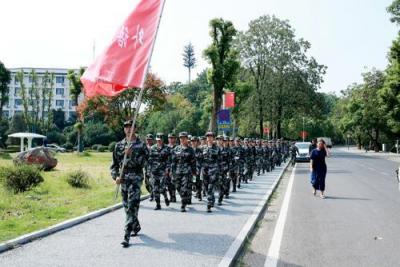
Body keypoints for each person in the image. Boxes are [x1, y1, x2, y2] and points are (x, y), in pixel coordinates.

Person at [111, 120, 148, 247]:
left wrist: (133, 156)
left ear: (135, 128)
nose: (128, 129)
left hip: (136, 177)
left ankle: (126, 236)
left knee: (132, 204)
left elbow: (146, 163)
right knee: (127, 206)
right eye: (126, 127)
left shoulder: (141, 145)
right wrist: (115, 177)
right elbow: (114, 165)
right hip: (123, 178)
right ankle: (135, 225)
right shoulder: (119, 145)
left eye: (130, 126)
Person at [171, 132, 196, 212]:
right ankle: (184, 198)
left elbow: (193, 162)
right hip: (178, 171)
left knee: (185, 188)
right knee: (178, 187)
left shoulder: (190, 150)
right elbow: (173, 161)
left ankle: (183, 204)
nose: (182, 139)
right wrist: (172, 171)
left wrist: (194, 173)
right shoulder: (176, 149)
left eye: (184, 138)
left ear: (187, 139)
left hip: (187, 172)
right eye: (181, 138)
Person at [148, 133, 170, 210]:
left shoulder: (167, 148)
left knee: (162, 187)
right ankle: (158, 204)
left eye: (160, 140)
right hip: (154, 171)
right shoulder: (152, 148)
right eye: (157, 140)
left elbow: (169, 160)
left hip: (163, 170)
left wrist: (168, 169)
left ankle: (166, 197)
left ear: (163, 140)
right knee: (155, 188)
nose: (159, 141)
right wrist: (149, 171)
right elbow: (149, 160)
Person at [202, 132, 221, 212]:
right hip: (205, 171)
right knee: (206, 188)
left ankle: (208, 205)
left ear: (213, 138)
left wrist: (219, 171)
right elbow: (199, 159)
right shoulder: (202, 148)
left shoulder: (217, 148)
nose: (209, 138)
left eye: (211, 137)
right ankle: (212, 198)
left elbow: (220, 160)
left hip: (213, 171)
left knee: (210, 187)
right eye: (208, 137)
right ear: (206, 138)